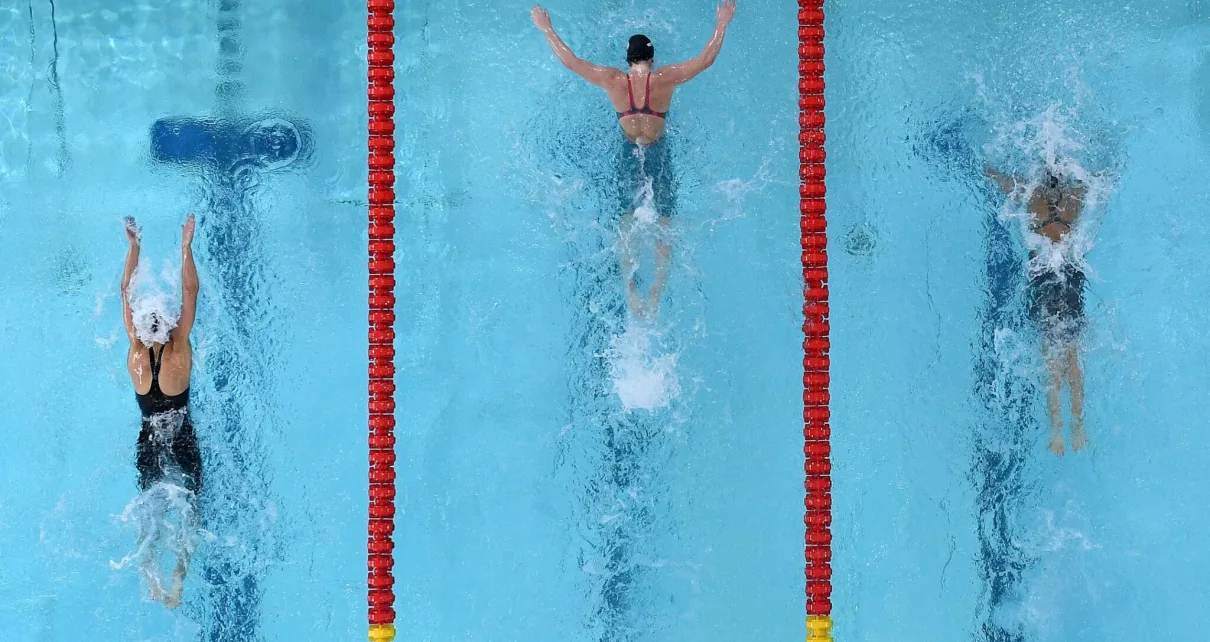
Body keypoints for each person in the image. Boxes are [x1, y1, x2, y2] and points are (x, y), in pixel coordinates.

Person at [530, 1, 737, 318]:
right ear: (652, 59)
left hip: (629, 152)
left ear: (628, 60)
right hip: (658, 153)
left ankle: (630, 292)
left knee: (627, 220)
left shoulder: (612, 79)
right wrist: (722, 23)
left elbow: (570, 61)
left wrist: (547, 29)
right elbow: (706, 60)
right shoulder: (664, 78)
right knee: (665, 222)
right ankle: (655, 295)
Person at [121, 214, 203, 607]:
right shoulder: (179, 350)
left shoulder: (135, 352)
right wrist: (185, 248)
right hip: (181, 433)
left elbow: (125, 291)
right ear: (170, 325)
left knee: (147, 503)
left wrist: (134, 247)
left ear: (138, 327)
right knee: (192, 505)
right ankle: (178, 580)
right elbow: (191, 290)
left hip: (148, 436)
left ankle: (148, 574)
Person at [984, 165, 1088, 456]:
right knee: (1072, 359)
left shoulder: (1033, 197)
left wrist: (989, 172)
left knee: (1051, 358)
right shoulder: (1074, 200)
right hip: (1069, 276)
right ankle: (1078, 426)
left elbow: (1005, 183)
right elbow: (1097, 182)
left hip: (1044, 277)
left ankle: (1057, 429)